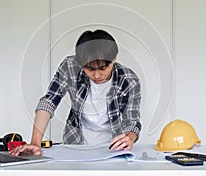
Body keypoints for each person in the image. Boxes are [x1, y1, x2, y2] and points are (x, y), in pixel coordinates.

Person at [10, 29, 141, 156]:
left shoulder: (129, 80)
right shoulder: (70, 66)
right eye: (89, 68)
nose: (96, 75)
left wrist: (129, 138)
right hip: (74, 145)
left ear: (114, 59)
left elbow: (132, 121)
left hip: (112, 149)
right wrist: (35, 143)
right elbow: (49, 102)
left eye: (103, 68)